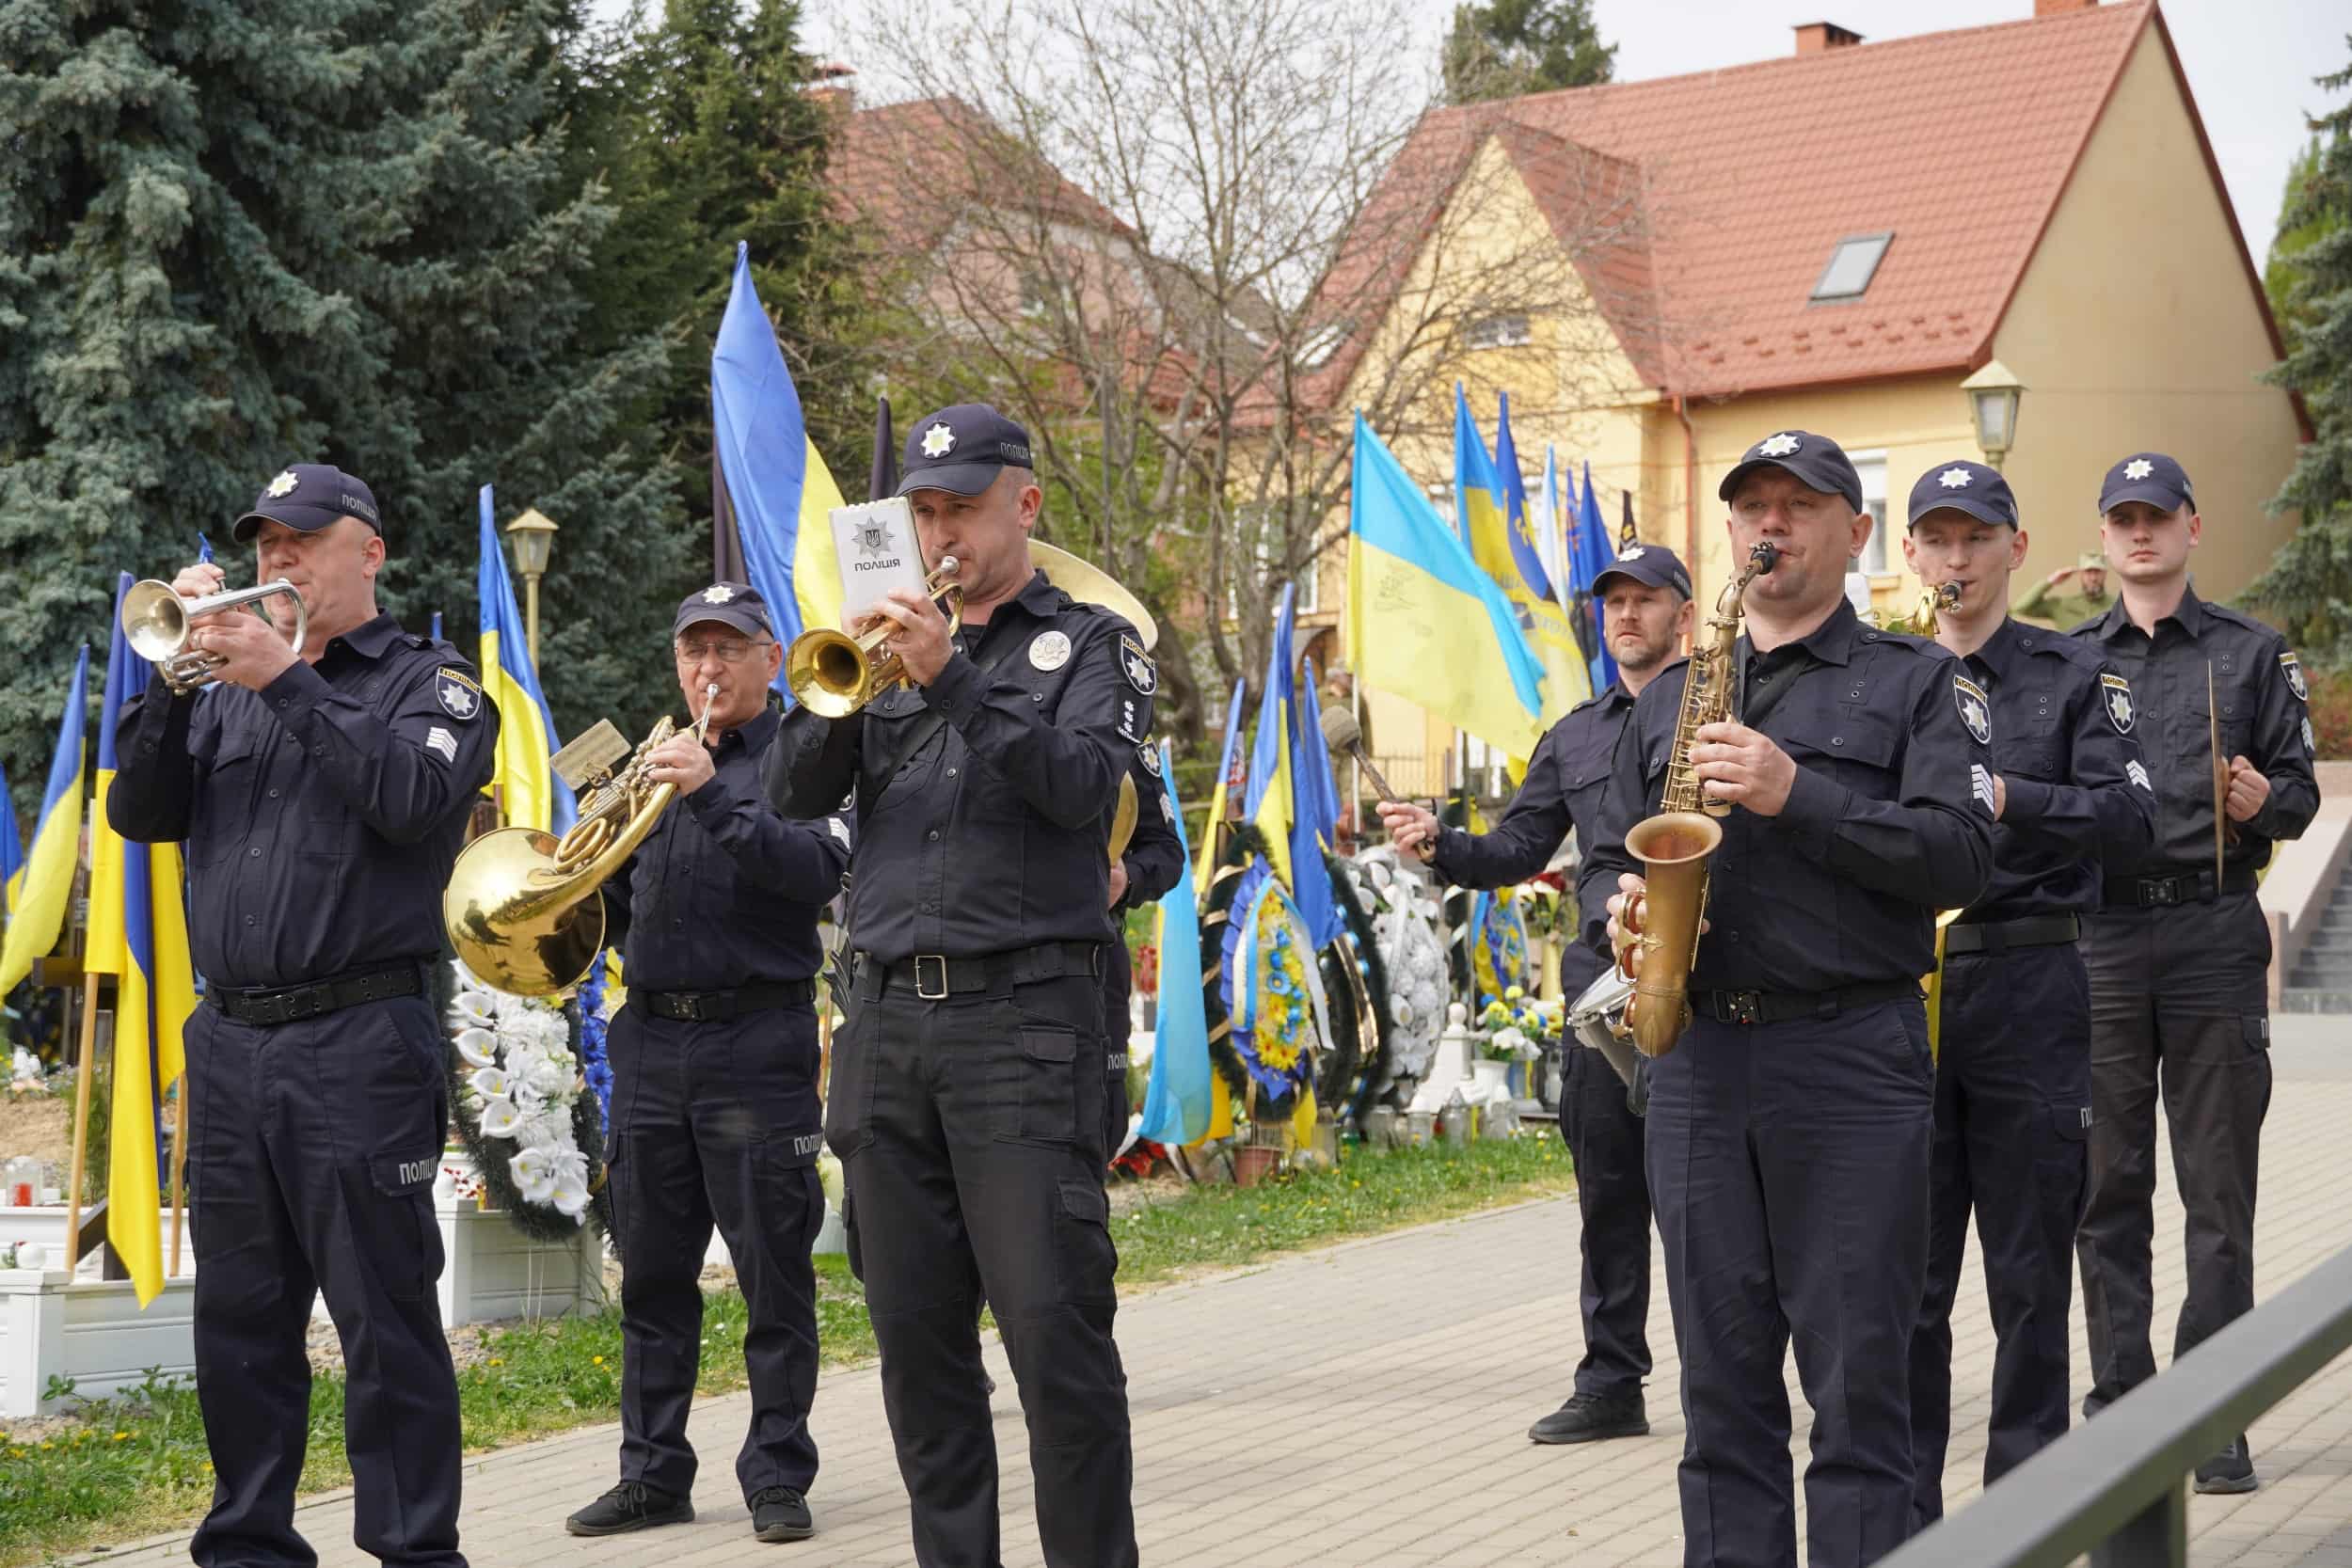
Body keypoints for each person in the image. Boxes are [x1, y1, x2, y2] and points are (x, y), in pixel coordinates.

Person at [1580, 430, 1995, 1568]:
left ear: (1855, 532)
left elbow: (1960, 857)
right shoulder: (1670, 696)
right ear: (1729, 529)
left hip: (1849, 1058)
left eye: (1799, 505)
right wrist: (1622, 906)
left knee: (1860, 1387)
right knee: (1718, 1394)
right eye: (1751, 505)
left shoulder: (1919, 681)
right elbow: (1605, 856)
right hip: (1696, 1066)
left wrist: (1794, 790)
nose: (1771, 524)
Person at [761, 404, 1146, 1568]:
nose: (941, 533)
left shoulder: (1090, 642)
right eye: (924, 511)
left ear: (1023, 504)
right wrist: (844, 678)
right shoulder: (881, 649)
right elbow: (790, 791)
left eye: (963, 509)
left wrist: (953, 679)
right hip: (885, 1029)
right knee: (919, 1353)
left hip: (1022, 1027)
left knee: (1054, 1341)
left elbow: (1082, 788)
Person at [107, 465, 498, 1568]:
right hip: (231, 1040)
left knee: (383, 1317)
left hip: (358, 1036)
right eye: (265, 541)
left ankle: (415, 1548)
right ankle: (248, 1545)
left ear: (367, 552)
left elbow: (411, 799)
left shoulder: (432, 682)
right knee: (239, 1319)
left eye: (302, 538)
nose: (276, 559)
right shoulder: (220, 685)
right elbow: (140, 811)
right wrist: (173, 685)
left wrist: (285, 678)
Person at [1379, 543, 1696, 1448]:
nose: (1627, 613)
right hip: (1604, 996)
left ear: (1684, 613)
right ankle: (1612, 1384)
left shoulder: (1720, 709)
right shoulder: (1575, 733)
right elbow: (1518, 848)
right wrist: (1441, 842)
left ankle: (1730, 1380)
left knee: (1710, 1202)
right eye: (1614, 601)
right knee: (1609, 1198)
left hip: (1704, 988)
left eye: (1646, 598)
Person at [562, 583, 851, 1545]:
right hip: (651, 1040)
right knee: (651, 1274)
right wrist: (567, 883)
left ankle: (778, 1473)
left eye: (728, 649)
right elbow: (619, 912)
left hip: (755, 1041)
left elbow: (811, 873)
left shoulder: (806, 756)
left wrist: (708, 792)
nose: (708, 668)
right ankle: (652, 1473)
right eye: (693, 650)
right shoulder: (648, 765)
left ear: (771, 659)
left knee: (774, 1274)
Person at [1894, 461, 2155, 1527]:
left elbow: (2133, 820)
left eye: (1976, 538)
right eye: (1937, 539)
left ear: (2016, 547)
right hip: (1903, 992)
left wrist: (2010, 795)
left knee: (2030, 1276)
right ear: (1909, 552)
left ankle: (2023, 1521)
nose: (1955, 559)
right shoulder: (1884, 676)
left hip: (2031, 981)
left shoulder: (2076, 672)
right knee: (1905, 1284)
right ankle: (1905, 1522)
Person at [2070, 451, 2319, 1493]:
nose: (2142, 533)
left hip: (2213, 932)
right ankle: (2124, 1413)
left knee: (2219, 1191)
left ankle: (2213, 1418)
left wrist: (2266, 803)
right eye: (2124, 517)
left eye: (2158, 516)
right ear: (2104, 534)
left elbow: (2301, 794)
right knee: (2105, 1187)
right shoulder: (2069, 664)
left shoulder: (2252, 654)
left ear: (2191, 527)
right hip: (2102, 940)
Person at [1103, 742, 1187, 1158]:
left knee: (1097, 1124)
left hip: (1092, 963)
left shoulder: (1117, 724)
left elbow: (1167, 853)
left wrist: (1128, 880)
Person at [2010, 550, 2114, 631]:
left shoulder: (2116, 606)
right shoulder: (2062, 605)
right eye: (2088, 572)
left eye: (2097, 572)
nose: (2093, 578)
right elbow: (2020, 608)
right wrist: (2050, 581)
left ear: (2105, 574)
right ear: (2081, 574)